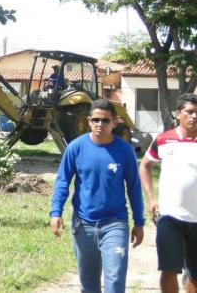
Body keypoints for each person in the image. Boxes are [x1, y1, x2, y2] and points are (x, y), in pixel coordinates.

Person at [50, 99, 145, 293]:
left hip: (115, 223)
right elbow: (62, 182)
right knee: (89, 284)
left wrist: (139, 221)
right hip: (83, 224)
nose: (100, 125)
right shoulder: (75, 148)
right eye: (95, 120)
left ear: (115, 122)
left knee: (115, 279)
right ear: (88, 121)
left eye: (105, 121)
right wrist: (55, 212)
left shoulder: (125, 151)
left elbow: (134, 188)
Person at [139, 93, 197, 293]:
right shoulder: (164, 140)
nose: (194, 116)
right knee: (169, 269)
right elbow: (145, 166)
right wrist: (151, 199)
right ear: (178, 113)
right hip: (170, 216)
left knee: (195, 274)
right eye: (189, 112)